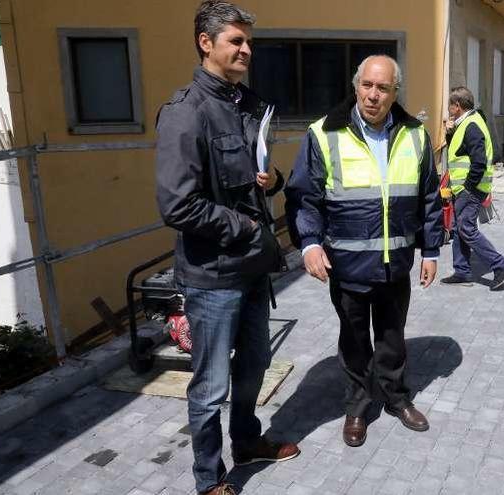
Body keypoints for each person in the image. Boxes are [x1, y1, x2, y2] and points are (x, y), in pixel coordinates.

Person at [154, 2, 299, 494]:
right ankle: (208, 478)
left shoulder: (249, 105)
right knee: (211, 385)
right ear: (205, 42)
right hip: (212, 275)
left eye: (248, 41)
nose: (246, 50)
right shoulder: (185, 113)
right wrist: (244, 227)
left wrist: (272, 179)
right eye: (236, 41)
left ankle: (248, 439)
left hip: (253, 267)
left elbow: (257, 180)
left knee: (254, 365)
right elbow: (177, 206)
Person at [285, 55, 443, 448]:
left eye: (383, 88)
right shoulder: (323, 134)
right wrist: (308, 243)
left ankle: (395, 397)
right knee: (354, 342)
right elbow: (305, 196)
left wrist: (431, 252)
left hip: (396, 266)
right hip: (348, 265)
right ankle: (357, 406)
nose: (374, 95)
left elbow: (428, 197)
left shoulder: (415, 135)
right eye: (367, 86)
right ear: (356, 86)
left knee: (392, 338)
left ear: (394, 92)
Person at [440, 87, 504, 288]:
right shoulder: (464, 124)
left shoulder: (471, 125)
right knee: (459, 228)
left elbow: (479, 161)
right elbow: (458, 152)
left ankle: (501, 265)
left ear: (457, 106)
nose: (448, 109)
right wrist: (449, 133)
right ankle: (462, 271)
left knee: (466, 229)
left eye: (450, 105)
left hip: (469, 189)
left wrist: (467, 187)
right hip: (462, 189)